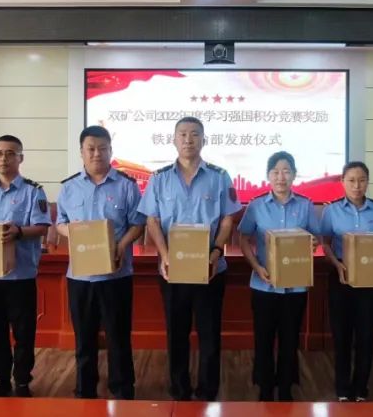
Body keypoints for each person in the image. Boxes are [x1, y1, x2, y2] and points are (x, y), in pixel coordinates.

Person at [137, 116, 242, 401]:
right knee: (176, 333)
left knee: (210, 333)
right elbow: (152, 220)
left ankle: (208, 391)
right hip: (172, 270)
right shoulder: (159, 179)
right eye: (182, 134)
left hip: (210, 268)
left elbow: (228, 219)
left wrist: (215, 252)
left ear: (203, 140)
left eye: (195, 134)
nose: (188, 139)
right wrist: (165, 255)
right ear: (174, 140)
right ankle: (179, 389)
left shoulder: (219, 177)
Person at [55, 126, 144, 400]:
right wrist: (74, 233)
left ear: (110, 151)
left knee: (118, 337)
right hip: (80, 278)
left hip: (116, 276)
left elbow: (138, 224)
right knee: (84, 338)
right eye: (91, 149)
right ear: (81, 152)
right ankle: (85, 389)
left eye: (102, 148)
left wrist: (121, 245)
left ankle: (122, 389)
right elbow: (60, 223)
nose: (97, 153)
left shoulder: (127, 185)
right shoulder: (69, 187)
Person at [0, 135, 51, 398]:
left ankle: (22, 380)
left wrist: (18, 231)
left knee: (24, 332)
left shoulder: (33, 191)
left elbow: (42, 227)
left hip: (20, 276)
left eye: (10, 153)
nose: (4, 158)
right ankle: (1, 379)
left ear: (20, 158)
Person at [237, 151, 320, 402]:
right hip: (264, 284)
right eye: (275, 172)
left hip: (295, 287)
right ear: (268, 176)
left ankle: (285, 388)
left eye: (286, 171)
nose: (281, 177)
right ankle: (265, 387)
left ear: (294, 175)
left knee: (290, 339)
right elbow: (243, 238)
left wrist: (313, 242)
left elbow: (316, 238)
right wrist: (256, 266)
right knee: (263, 338)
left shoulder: (306, 205)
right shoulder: (256, 206)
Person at [318, 161, 373, 402]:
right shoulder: (332, 210)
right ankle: (342, 388)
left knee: (366, 335)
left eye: (362, 180)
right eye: (351, 180)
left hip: (371, 280)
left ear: (368, 182)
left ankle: (360, 387)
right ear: (342, 182)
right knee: (342, 336)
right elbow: (325, 243)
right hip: (342, 276)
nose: (357, 186)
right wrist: (336, 264)